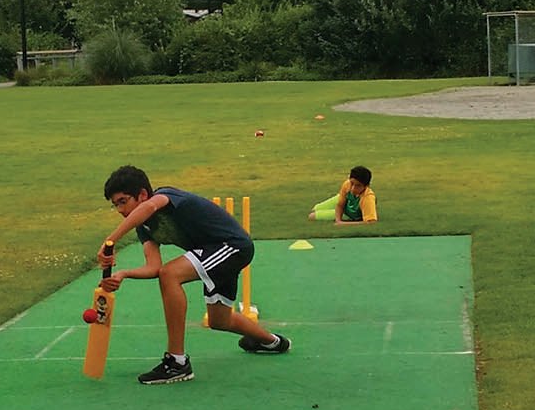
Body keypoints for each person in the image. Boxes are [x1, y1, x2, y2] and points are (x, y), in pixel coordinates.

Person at [98, 164, 290, 382]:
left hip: (232, 246)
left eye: (123, 201)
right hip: (213, 254)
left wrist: (110, 242)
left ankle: (177, 362)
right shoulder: (144, 228)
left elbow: (149, 207)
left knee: (170, 274)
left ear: (142, 194)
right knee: (219, 320)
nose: (120, 210)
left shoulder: (165, 196)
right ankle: (272, 342)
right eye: (116, 205)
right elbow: (153, 267)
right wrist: (123, 274)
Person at [306, 165, 377, 224]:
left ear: (366, 186)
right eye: (352, 183)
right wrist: (338, 220)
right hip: (343, 200)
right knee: (315, 209)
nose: (353, 188)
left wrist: (343, 223)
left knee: (312, 216)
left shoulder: (368, 198)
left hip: (349, 214)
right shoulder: (347, 184)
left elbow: (371, 222)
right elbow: (340, 205)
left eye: (358, 185)